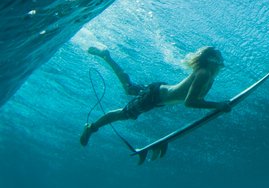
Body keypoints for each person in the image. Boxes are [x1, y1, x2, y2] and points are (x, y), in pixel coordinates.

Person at [80, 45, 231, 146]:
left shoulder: (209, 77)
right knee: (126, 113)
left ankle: (107, 57)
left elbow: (198, 100)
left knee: (130, 88)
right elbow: (189, 102)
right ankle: (91, 127)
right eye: (219, 59)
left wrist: (216, 105)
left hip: (158, 94)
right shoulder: (204, 74)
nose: (221, 62)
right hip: (156, 96)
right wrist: (217, 105)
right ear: (211, 60)